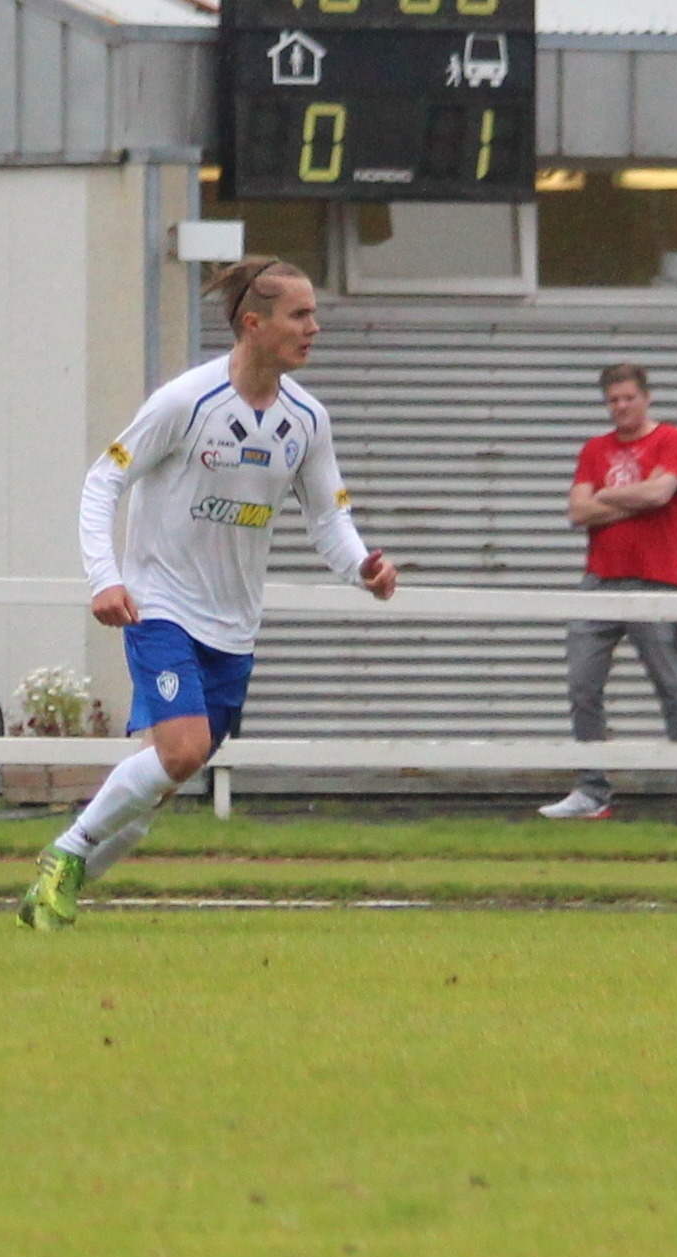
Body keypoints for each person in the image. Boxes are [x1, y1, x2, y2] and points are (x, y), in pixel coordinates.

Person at [21, 256, 396, 928]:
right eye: (299, 315)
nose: (313, 328)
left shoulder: (307, 420)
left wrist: (361, 566)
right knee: (182, 752)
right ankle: (66, 852)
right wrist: (105, 578)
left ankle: (51, 899)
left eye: (313, 315)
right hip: (160, 605)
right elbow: (103, 481)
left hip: (234, 627)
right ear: (253, 324)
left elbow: (327, 517)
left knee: (159, 783)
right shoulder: (185, 402)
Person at [541, 361, 677, 828]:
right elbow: (577, 512)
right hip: (598, 581)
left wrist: (605, 497)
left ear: (646, 397)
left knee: (672, 687)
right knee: (582, 685)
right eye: (613, 400)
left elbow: (661, 494)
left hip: (655, 580)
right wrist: (634, 498)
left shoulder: (673, 441)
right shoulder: (594, 449)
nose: (621, 406)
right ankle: (591, 791)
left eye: (628, 398)